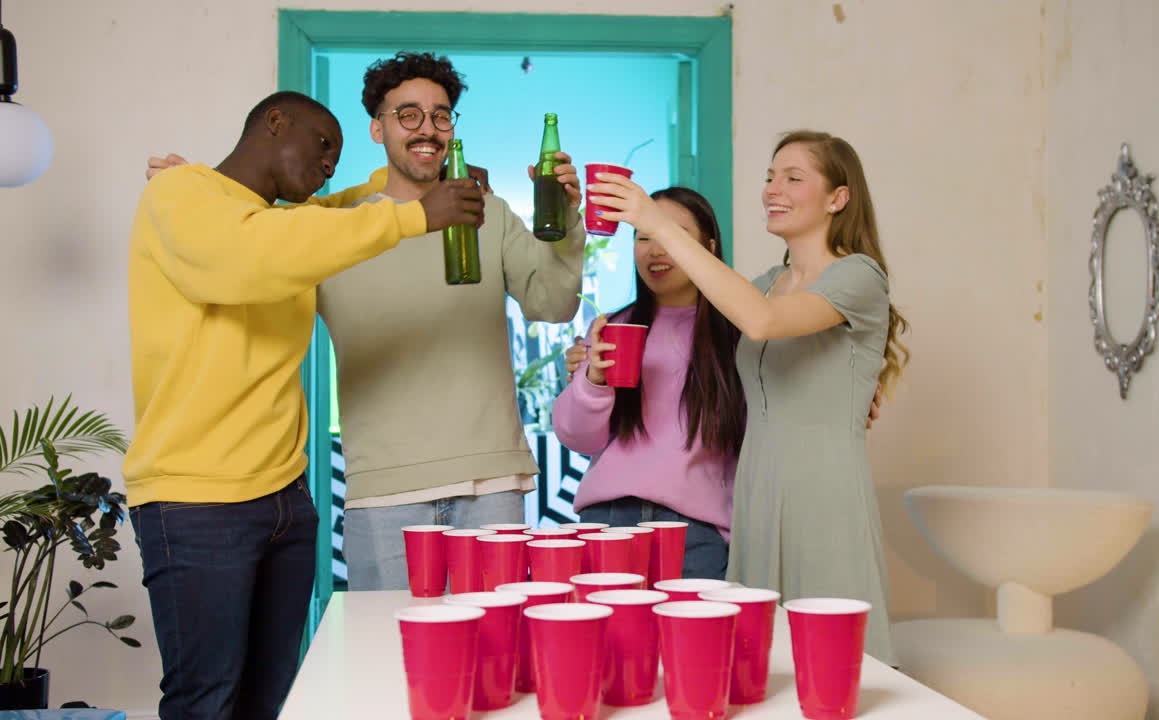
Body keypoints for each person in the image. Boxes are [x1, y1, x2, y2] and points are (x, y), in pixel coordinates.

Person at [148, 52, 586, 592]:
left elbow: (553, 304)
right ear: (377, 128)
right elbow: (246, 238)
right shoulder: (329, 229)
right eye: (408, 115)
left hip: (492, 480)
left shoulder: (488, 212)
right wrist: (194, 186)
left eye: (441, 115)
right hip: (383, 490)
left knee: (492, 660)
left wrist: (566, 222)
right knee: (388, 661)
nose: (428, 129)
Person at [126, 91, 483, 719]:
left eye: (336, 159)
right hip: (197, 501)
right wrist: (413, 217)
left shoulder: (279, 218)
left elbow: (333, 212)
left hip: (285, 501)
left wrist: (421, 175)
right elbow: (247, 257)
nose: (327, 167)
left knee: (272, 702)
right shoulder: (181, 196)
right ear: (274, 121)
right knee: (206, 701)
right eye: (323, 146)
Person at [588, 130, 909, 664]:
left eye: (793, 177)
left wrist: (659, 223)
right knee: (756, 664)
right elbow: (697, 340)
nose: (772, 189)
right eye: (768, 177)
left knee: (828, 659)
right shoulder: (765, 282)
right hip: (755, 489)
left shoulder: (858, 275)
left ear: (838, 198)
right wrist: (592, 363)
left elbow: (762, 324)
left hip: (821, 489)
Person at [552, 187, 745, 578]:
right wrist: (592, 380)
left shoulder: (741, 335)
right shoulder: (612, 327)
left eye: (671, 234)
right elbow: (577, 438)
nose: (655, 250)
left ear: (708, 246)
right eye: (643, 236)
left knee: (690, 641)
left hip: (695, 533)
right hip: (604, 525)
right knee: (602, 641)